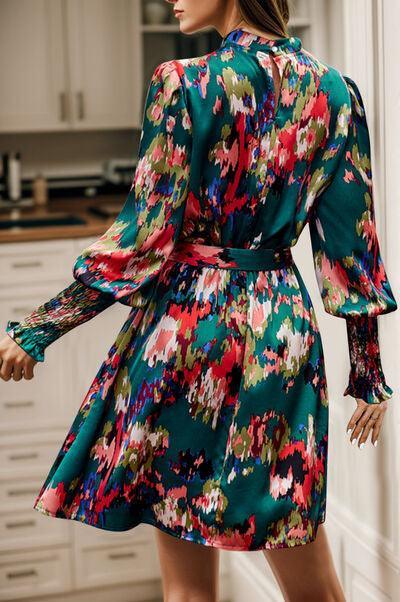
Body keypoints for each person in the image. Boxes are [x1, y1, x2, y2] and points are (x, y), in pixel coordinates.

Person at [0, 0, 397, 600]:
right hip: (279, 333)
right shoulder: (337, 93)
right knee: (310, 576)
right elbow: (351, 244)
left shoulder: (182, 83)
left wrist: (38, 329)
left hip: (189, 333)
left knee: (187, 592)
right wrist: (366, 372)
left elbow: (141, 240)